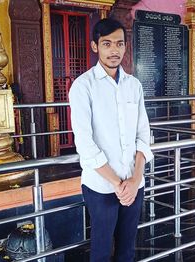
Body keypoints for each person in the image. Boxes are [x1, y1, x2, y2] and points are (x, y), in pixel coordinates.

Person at [68, 18, 153, 262]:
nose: (114, 50)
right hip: (101, 186)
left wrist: (135, 179)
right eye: (107, 44)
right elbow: (85, 144)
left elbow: (143, 135)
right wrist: (118, 184)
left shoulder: (134, 86)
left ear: (126, 47)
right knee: (102, 251)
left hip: (134, 183)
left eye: (119, 44)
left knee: (127, 249)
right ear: (95, 46)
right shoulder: (83, 87)